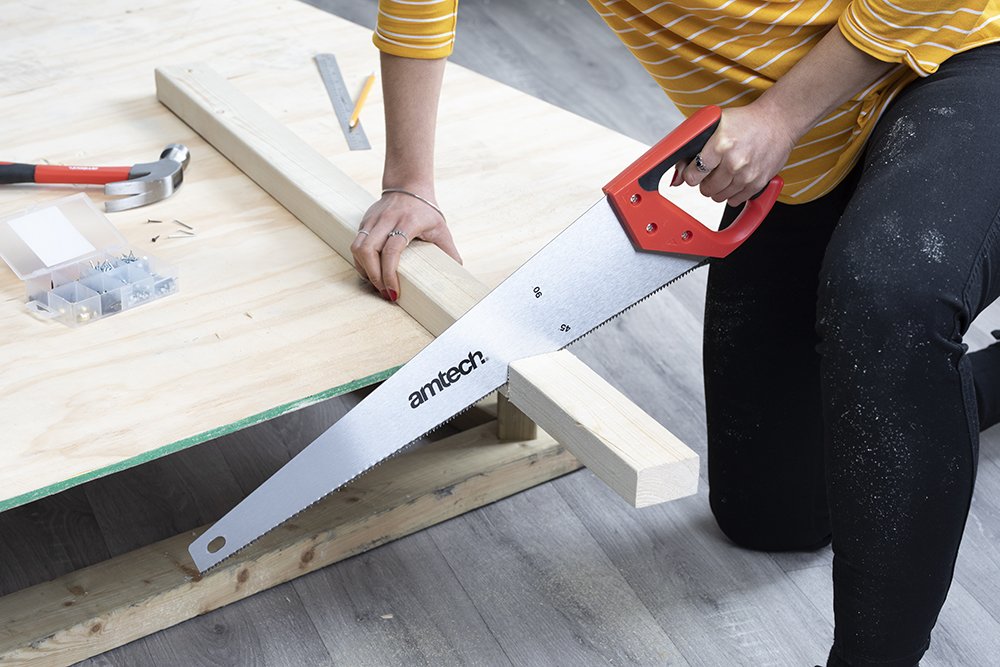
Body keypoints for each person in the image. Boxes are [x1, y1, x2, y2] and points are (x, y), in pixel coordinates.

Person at [353, 2, 1000, 665]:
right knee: (770, 516)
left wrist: (780, 114)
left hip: (955, 59)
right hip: (803, 164)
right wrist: (410, 183)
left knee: (886, 297)